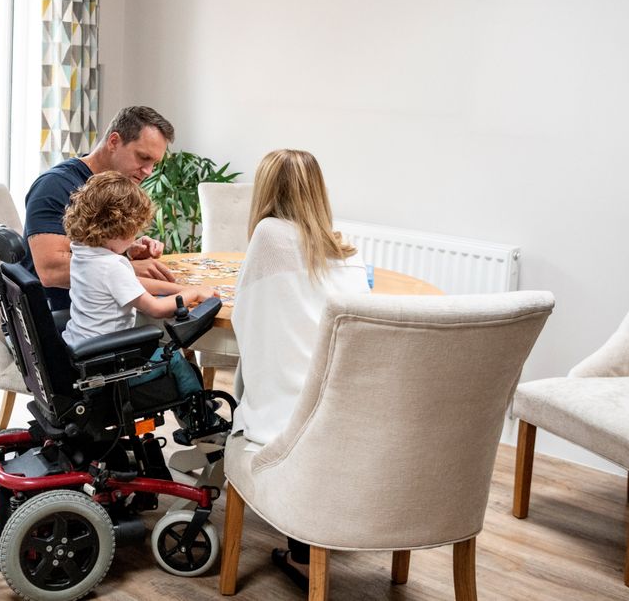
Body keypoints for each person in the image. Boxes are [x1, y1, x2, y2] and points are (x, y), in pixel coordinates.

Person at [230, 149, 371, 581]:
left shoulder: (269, 236)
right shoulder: (344, 247)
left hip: (287, 415)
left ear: (267, 191)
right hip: (343, 412)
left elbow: (244, 314)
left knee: (242, 387)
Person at [61, 171, 217, 420]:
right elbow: (155, 309)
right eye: (133, 231)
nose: (135, 238)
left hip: (81, 355)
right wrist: (193, 293)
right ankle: (200, 421)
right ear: (119, 228)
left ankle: (196, 414)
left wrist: (180, 289)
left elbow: (130, 285)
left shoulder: (82, 253)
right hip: (110, 366)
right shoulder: (113, 265)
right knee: (175, 359)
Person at [21, 105, 180, 311]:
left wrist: (126, 251)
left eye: (154, 164)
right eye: (143, 157)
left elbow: (83, 251)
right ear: (114, 142)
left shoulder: (113, 189)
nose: (149, 172)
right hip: (68, 324)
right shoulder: (54, 186)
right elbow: (50, 271)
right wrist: (126, 269)